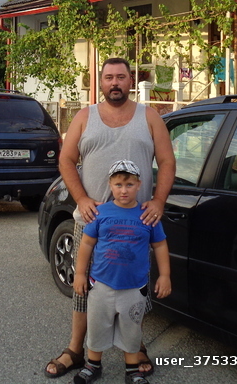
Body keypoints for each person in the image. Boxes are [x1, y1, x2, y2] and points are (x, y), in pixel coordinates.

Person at [44, 57, 176, 378]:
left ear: (130, 80)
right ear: (101, 82)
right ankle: (76, 350)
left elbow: (167, 161)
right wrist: (81, 198)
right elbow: (66, 160)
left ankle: (136, 346)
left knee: (135, 290)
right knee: (84, 291)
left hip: (136, 224)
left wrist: (158, 200)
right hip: (92, 222)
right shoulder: (84, 117)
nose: (114, 83)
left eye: (120, 77)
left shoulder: (149, 117)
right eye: (108, 77)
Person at [72, 160, 171, 384]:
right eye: (118, 185)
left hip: (134, 287)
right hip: (101, 284)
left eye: (129, 185)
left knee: (131, 329)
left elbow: (160, 245)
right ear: (110, 185)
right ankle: (92, 365)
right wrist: (79, 274)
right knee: (97, 326)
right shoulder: (100, 213)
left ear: (139, 185)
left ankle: (132, 370)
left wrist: (165, 276)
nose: (123, 190)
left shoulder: (147, 214)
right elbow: (86, 244)